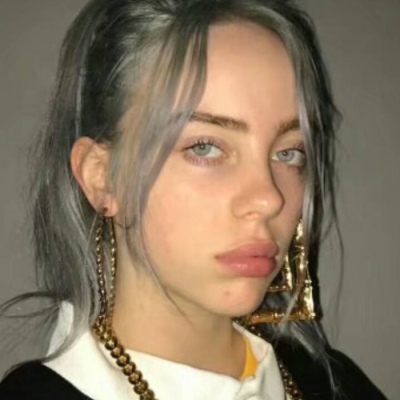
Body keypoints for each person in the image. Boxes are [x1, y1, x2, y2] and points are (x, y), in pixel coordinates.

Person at [0, 0, 389, 399]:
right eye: (205, 147)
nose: (269, 198)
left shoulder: (335, 384)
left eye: (289, 152)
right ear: (101, 177)